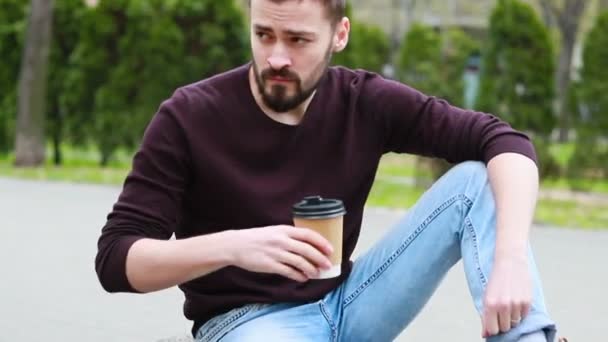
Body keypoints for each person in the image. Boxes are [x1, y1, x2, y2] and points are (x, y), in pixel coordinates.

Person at [95, 0, 558, 341]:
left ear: (340, 35)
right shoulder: (188, 116)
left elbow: (507, 143)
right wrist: (233, 247)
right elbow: (116, 260)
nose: (277, 57)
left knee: (476, 181)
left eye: (298, 40)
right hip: (245, 323)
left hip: (351, 302)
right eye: (263, 36)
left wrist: (510, 258)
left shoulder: (365, 101)